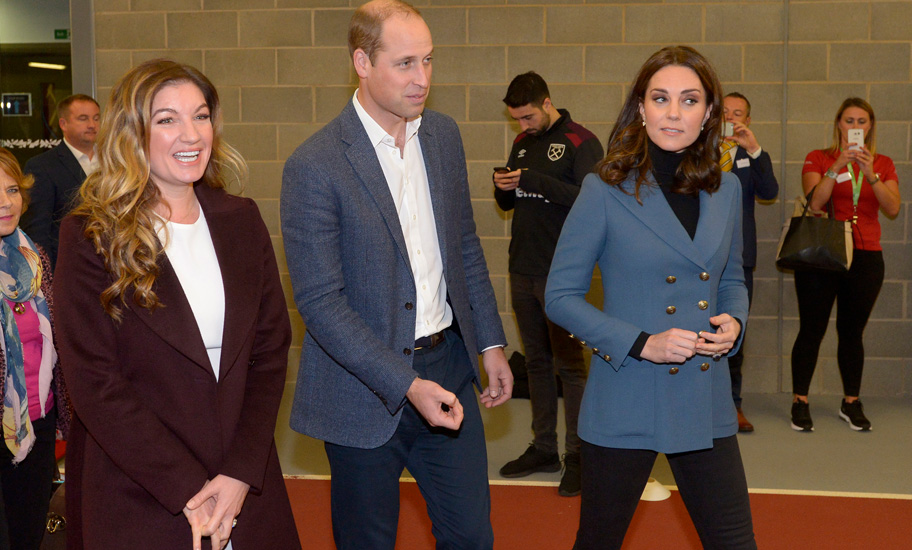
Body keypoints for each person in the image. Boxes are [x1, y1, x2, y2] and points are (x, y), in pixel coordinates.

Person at [280, 1, 513, 548]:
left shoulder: (443, 137)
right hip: (361, 388)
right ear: (362, 61)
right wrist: (406, 384)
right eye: (405, 63)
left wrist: (491, 342)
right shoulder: (315, 164)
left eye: (429, 61)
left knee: (473, 538)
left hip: (449, 364)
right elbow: (321, 304)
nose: (422, 79)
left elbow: (464, 247)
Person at [52, 59, 300, 550]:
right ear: (132, 132)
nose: (191, 134)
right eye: (167, 119)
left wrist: (238, 473)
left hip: (243, 477)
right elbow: (95, 383)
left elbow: (269, 352)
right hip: (142, 485)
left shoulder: (241, 219)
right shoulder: (91, 235)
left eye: (201, 116)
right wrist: (189, 489)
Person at [545, 46, 756, 549]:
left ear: (708, 113)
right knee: (598, 541)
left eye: (689, 100)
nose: (674, 112)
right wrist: (642, 343)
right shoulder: (604, 188)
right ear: (641, 107)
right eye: (661, 98)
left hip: (704, 399)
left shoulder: (725, 190)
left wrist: (734, 322)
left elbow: (730, 280)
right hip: (628, 393)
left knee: (735, 542)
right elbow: (560, 295)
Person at [494, 71, 603, 496]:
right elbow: (512, 201)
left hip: (563, 271)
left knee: (569, 366)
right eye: (516, 119)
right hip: (523, 265)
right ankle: (543, 447)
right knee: (536, 362)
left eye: (526, 117)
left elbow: (591, 201)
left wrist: (531, 181)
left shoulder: (580, 141)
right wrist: (504, 187)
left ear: (546, 102)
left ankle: (578, 455)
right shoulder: (523, 144)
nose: (521, 126)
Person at [0, 145, 71, 550]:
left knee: (28, 536)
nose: (5, 202)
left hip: (36, 421)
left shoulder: (34, 257)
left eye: (12, 190)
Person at [790, 97, 900, 433]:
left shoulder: (882, 162)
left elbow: (893, 208)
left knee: (852, 332)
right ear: (839, 124)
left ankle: (851, 401)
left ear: (870, 126)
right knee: (812, 329)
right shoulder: (818, 158)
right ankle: (800, 400)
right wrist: (836, 165)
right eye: (849, 121)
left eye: (862, 121)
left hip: (866, 254)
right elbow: (815, 202)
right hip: (823, 252)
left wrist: (870, 175)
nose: (855, 127)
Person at [720, 92, 779, 433]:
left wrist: (754, 149)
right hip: (700, 256)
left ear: (748, 119)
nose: (731, 117)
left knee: (734, 330)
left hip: (739, 258)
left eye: (738, 113)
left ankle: (734, 405)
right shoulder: (697, 149)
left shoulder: (749, 154)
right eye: (725, 111)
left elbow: (769, 191)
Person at [20, 94, 100, 267]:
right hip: (70, 267)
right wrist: (48, 277)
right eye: (83, 119)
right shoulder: (42, 166)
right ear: (63, 124)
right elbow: (37, 230)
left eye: (96, 118)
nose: (92, 125)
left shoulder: (115, 160)